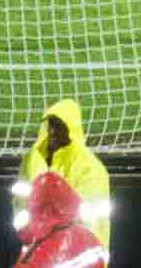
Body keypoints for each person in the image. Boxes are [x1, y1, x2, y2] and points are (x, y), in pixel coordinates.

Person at [15, 98, 111, 255]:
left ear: (70, 129)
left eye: (58, 126)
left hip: (79, 256)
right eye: (50, 124)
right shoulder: (33, 159)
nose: (51, 131)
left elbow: (88, 221)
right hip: (35, 252)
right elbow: (19, 203)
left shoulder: (90, 168)